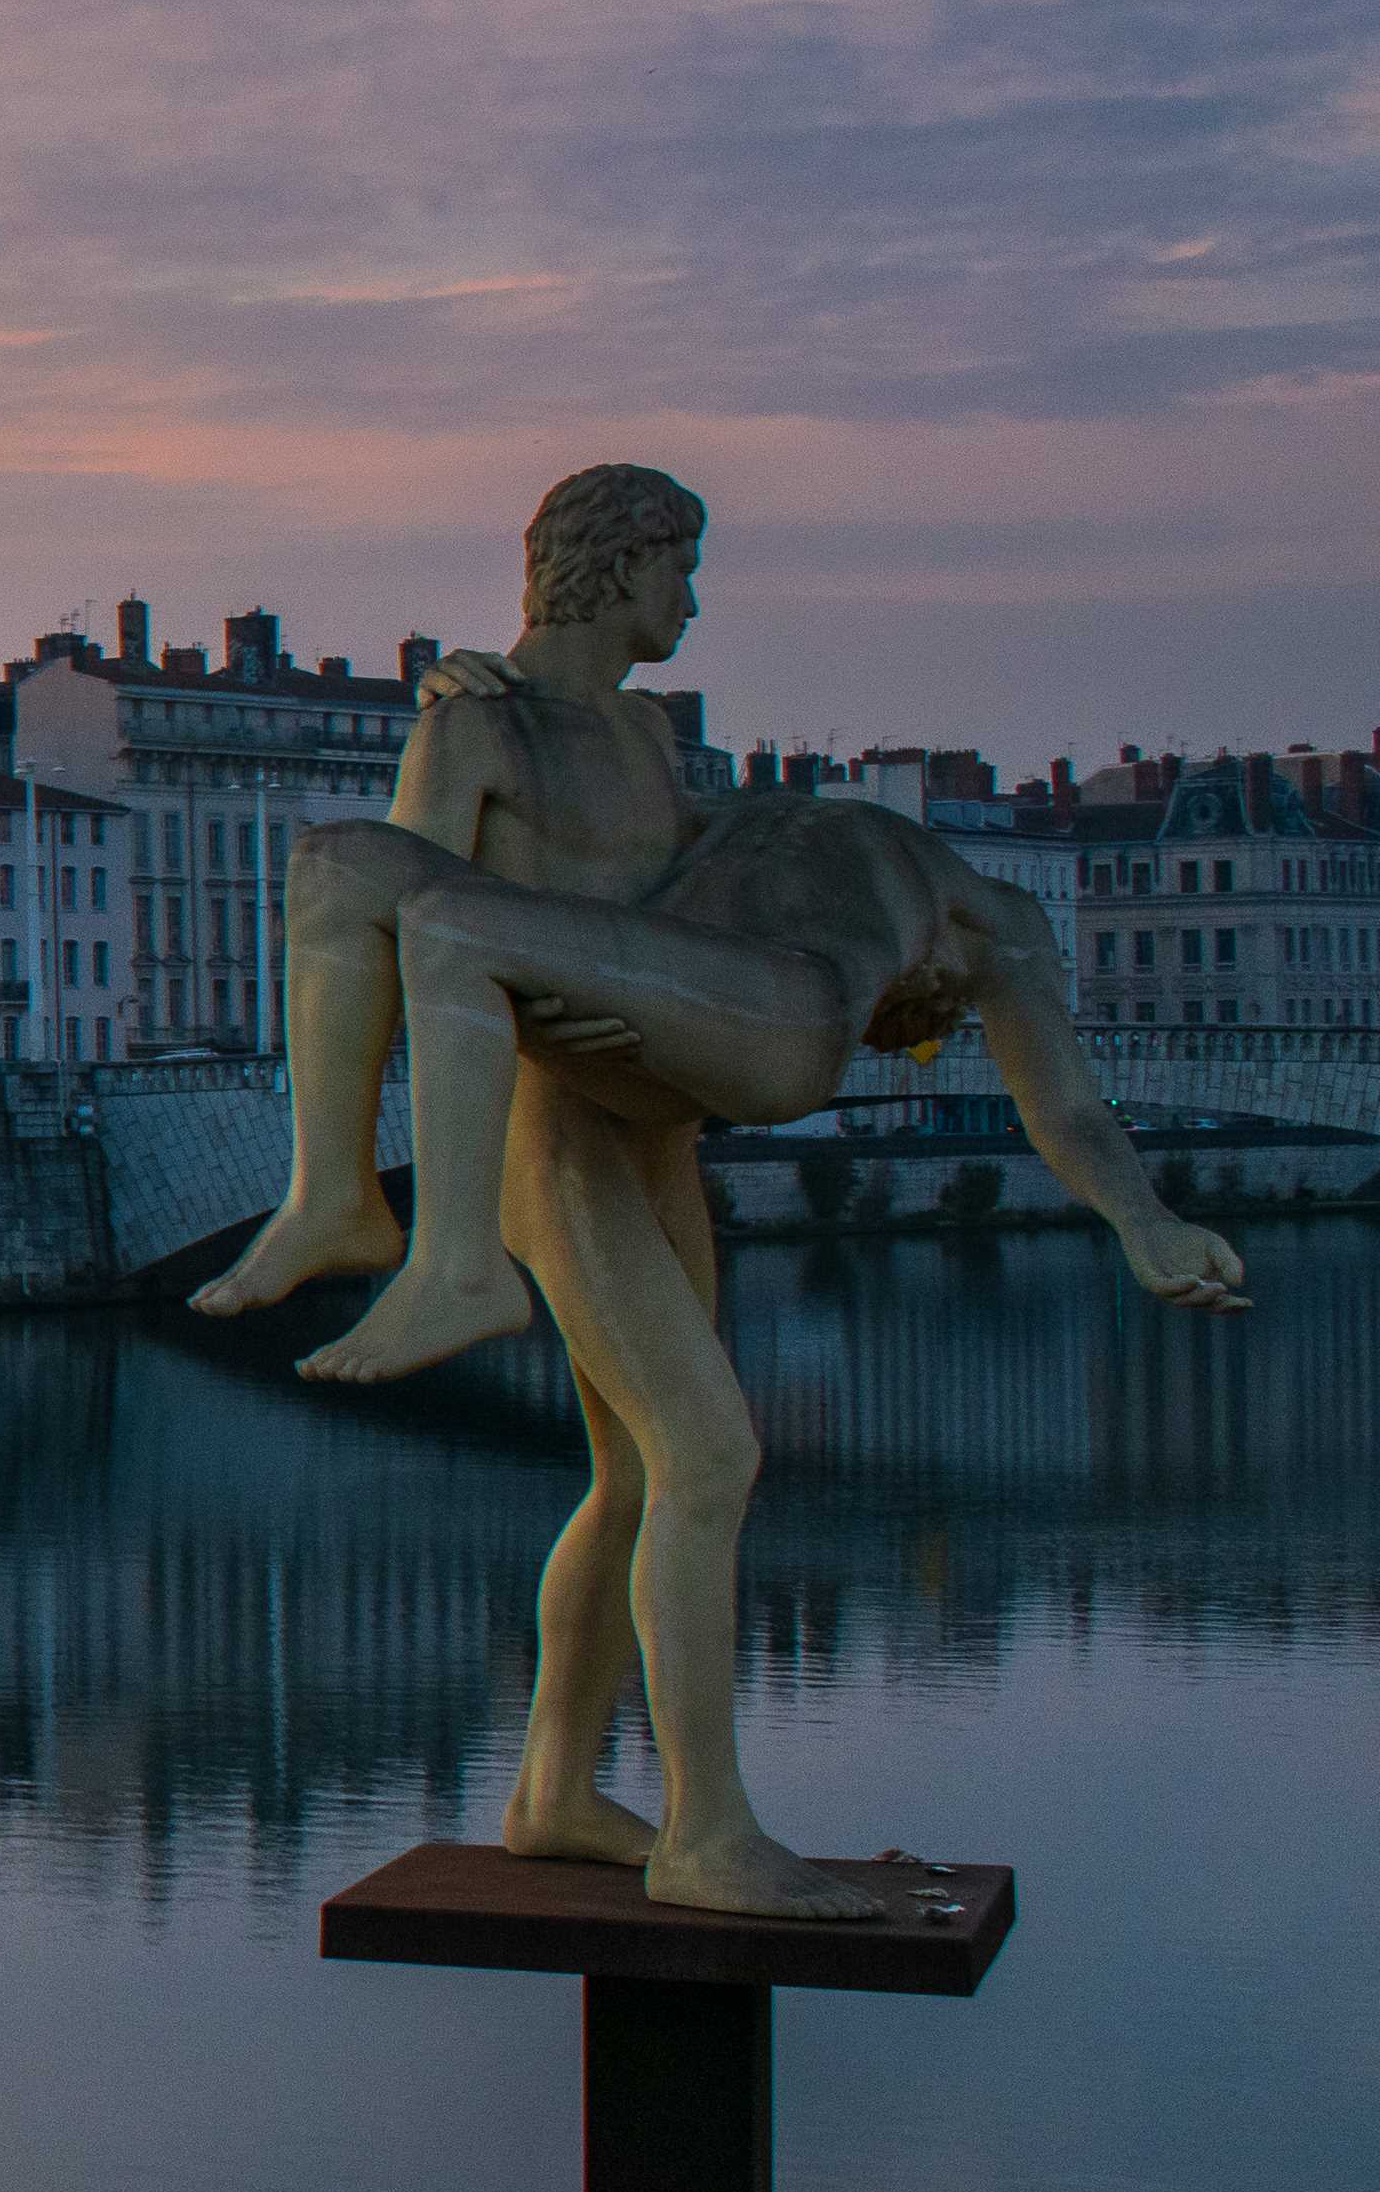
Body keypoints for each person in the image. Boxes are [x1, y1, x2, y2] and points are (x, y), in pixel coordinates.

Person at [191, 461, 1241, 1917]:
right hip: (553, 1135)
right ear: (613, 568)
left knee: (637, 1474)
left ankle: (555, 1792)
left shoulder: (647, 736)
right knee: (711, 1460)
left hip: (653, 1126)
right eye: (678, 570)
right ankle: (708, 1833)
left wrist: (1138, 1213)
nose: (692, 600)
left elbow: (673, 926)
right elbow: (425, 925)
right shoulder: (483, 720)